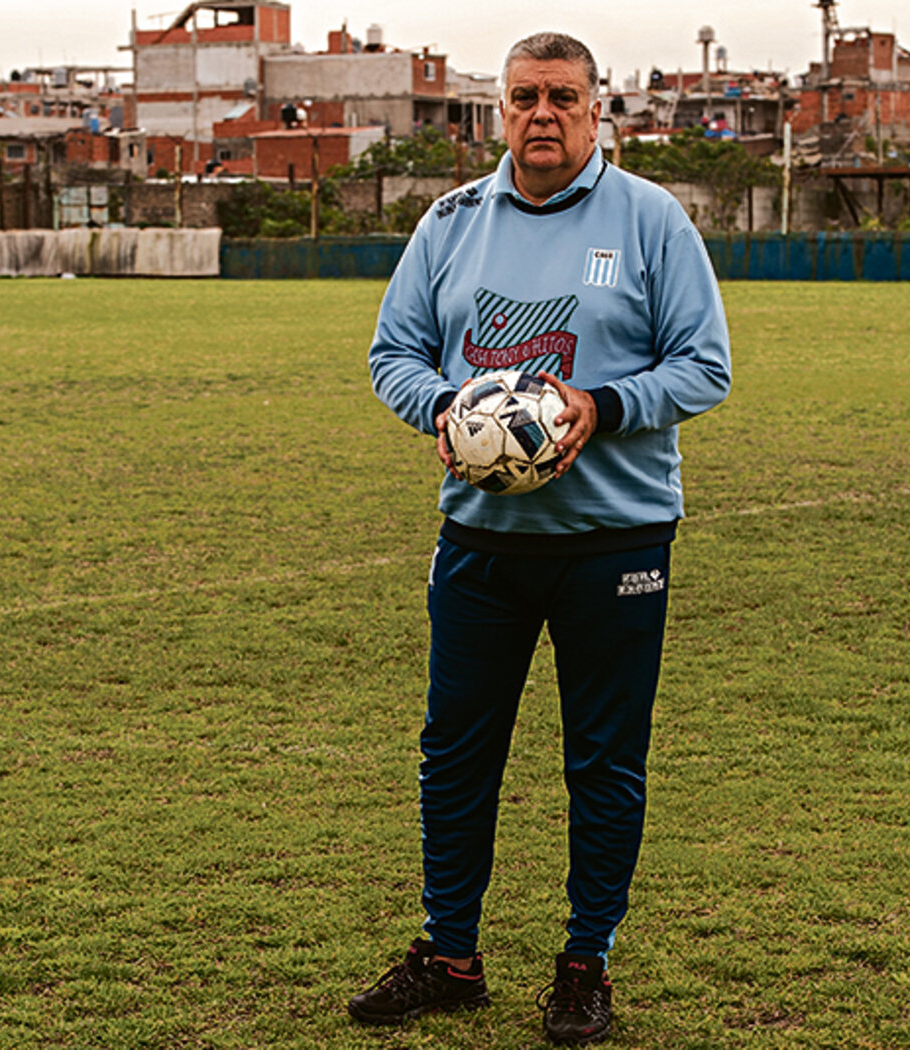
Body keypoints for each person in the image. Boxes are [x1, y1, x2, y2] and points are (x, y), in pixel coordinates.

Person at [350, 31, 731, 1046]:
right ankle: (450, 954)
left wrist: (600, 406)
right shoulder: (451, 222)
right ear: (498, 113)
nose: (542, 115)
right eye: (524, 97)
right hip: (482, 538)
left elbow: (706, 367)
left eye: (563, 96)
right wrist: (443, 409)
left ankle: (584, 962)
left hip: (617, 540)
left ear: (598, 110)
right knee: (454, 752)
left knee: (603, 759)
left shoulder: (651, 221)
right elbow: (393, 350)